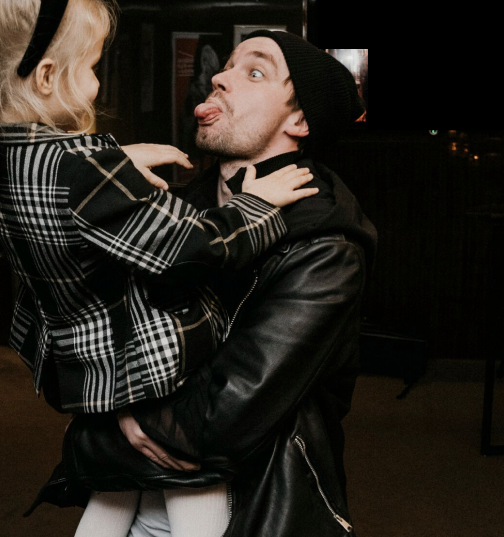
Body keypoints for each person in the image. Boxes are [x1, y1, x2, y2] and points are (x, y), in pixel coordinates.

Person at [0, 0, 321, 536]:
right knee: (197, 495)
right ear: (49, 77)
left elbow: (54, 199)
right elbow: (196, 248)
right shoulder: (85, 171)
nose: (95, 84)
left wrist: (115, 164)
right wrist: (257, 205)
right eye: (91, 68)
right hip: (149, 361)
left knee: (110, 500)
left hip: (77, 363)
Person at [32, 30, 377, 537]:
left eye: (254, 71)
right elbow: (69, 337)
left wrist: (107, 419)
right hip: (130, 498)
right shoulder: (173, 212)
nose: (219, 77)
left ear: (300, 121)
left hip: (252, 512)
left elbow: (214, 426)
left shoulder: (325, 248)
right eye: (227, 65)